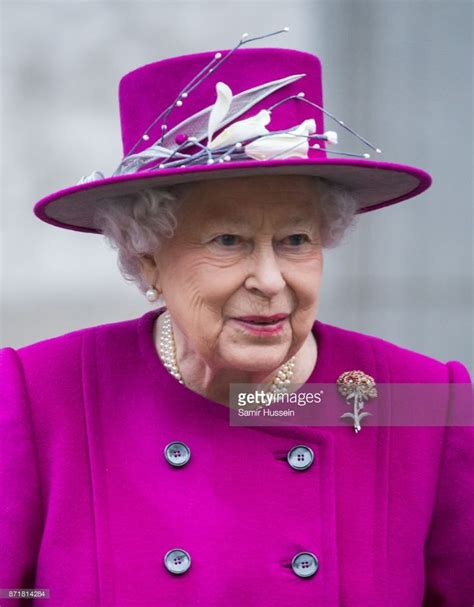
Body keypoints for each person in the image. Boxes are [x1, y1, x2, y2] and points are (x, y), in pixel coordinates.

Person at [1, 28, 472, 607]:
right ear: (148, 256)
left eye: (297, 240)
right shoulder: (43, 394)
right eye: (229, 240)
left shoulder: (415, 398)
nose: (271, 281)